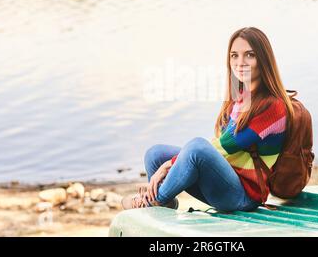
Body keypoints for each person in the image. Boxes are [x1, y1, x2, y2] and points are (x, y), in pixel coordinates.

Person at [122, 27, 295, 212]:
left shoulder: (273, 106)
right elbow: (221, 142)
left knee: (196, 148)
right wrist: (169, 163)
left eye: (249, 55)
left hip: (244, 197)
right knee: (155, 154)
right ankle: (165, 202)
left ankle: (153, 201)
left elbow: (226, 145)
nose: (240, 62)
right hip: (223, 179)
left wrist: (168, 165)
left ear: (263, 59)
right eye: (234, 55)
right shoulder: (241, 94)